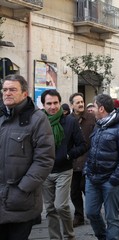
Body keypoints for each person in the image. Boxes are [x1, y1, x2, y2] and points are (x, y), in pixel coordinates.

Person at [0, 74, 55, 240]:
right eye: (5, 90)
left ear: (24, 94)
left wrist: (23, 188)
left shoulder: (37, 119)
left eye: (12, 90)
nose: (7, 93)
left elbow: (44, 159)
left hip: (21, 201)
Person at [84, 94, 119, 240]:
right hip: (93, 179)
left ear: (101, 108)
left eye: (93, 106)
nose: (91, 109)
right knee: (91, 212)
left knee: (111, 218)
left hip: (111, 181)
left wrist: (115, 179)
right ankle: (103, 237)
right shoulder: (99, 124)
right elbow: (92, 150)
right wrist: (87, 171)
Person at [41, 89, 87, 240]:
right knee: (49, 208)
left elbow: (82, 145)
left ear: (60, 103)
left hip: (64, 170)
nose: (53, 106)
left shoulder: (70, 121)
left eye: (55, 103)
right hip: (45, 171)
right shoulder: (40, 122)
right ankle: (55, 237)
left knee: (61, 205)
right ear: (43, 105)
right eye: (49, 103)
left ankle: (69, 234)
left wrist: (68, 155)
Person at [69, 93, 95, 227]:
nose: (80, 104)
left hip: (89, 160)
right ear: (72, 105)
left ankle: (93, 213)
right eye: (77, 102)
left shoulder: (91, 118)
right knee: (74, 191)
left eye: (82, 101)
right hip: (73, 162)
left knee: (87, 188)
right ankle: (79, 216)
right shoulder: (68, 120)